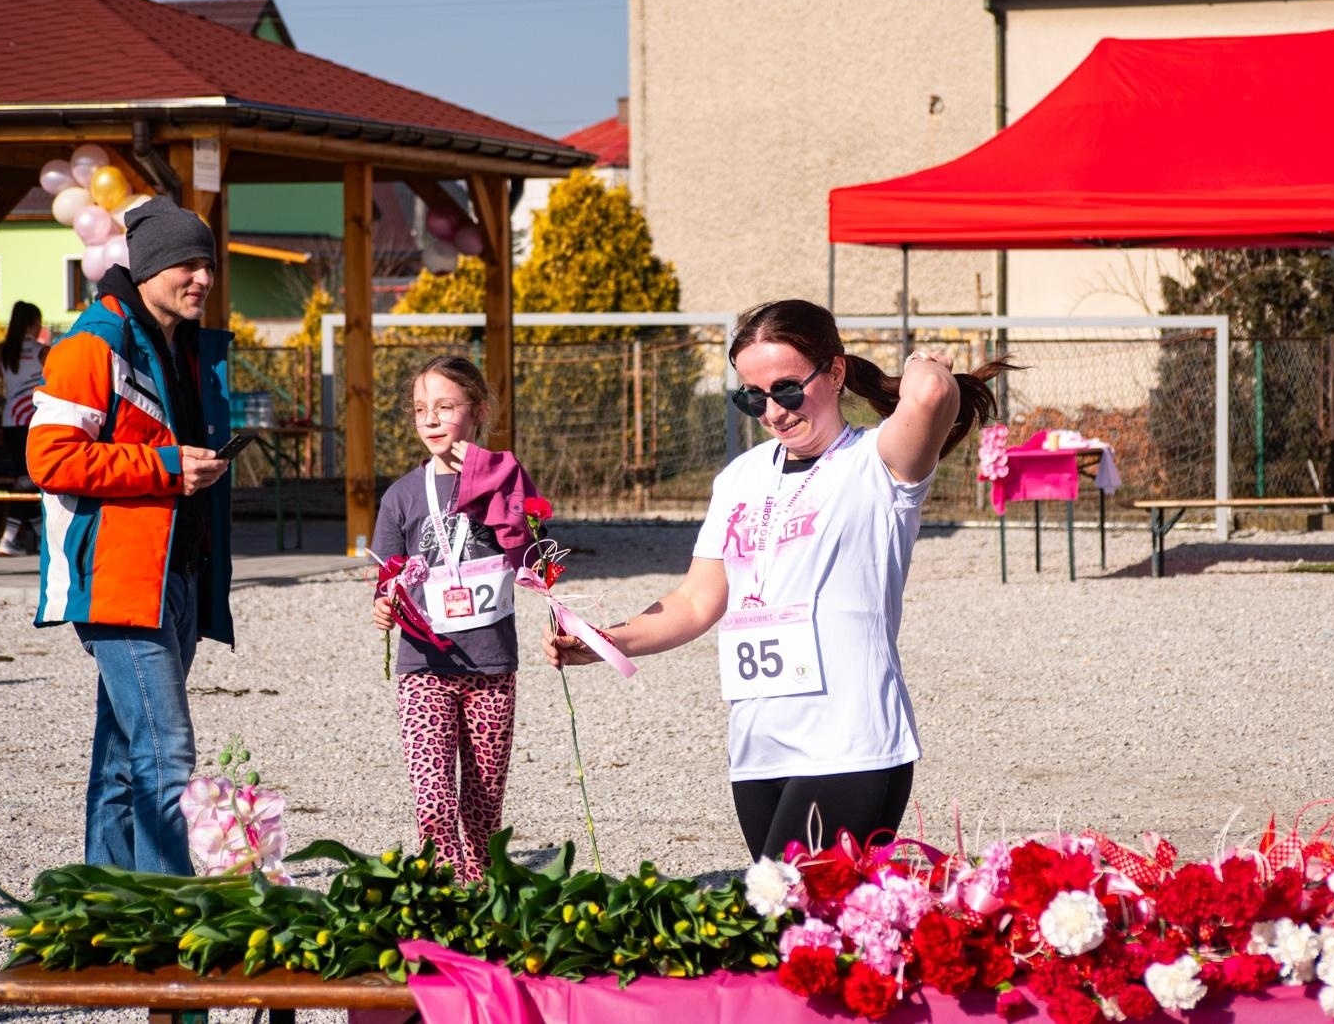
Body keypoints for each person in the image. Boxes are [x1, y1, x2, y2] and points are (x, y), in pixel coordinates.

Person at [545, 298, 1013, 861]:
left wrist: (919, 359)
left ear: (835, 372)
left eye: (788, 389)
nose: (773, 412)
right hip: (761, 744)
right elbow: (696, 600)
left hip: (849, 742)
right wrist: (605, 640)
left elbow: (933, 394)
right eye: (753, 396)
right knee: (790, 931)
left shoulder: (880, 462)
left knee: (790, 913)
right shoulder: (739, 477)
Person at [27, 196, 234, 875]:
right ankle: (170, 916)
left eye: (207, 263)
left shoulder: (182, 345)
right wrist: (170, 467)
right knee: (166, 753)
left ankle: (107, 905)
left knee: (124, 759)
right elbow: (50, 459)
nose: (201, 276)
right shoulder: (95, 341)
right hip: (122, 581)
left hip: (177, 575)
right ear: (147, 266)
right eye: (186, 262)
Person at [371, 355, 542, 883]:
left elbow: (540, 563)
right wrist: (384, 603)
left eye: (446, 407)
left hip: (491, 665)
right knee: (434, 799)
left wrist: (494, 481)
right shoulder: (401, 494)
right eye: (421, 409)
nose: (431, 420)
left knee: (484, 807)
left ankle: (481, 895)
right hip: (424, 665)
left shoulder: (508, 478)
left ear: (479, 411)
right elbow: (386, 577)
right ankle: (447, 893)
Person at [0, 299, 48, 555]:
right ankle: (9, 538)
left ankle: (40, 536)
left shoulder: (2, 351)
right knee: (31, 479)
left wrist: (6, 401)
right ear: (32, 324)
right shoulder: (43, 351)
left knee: (25, 479)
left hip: (10, 422)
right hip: (33, 421)